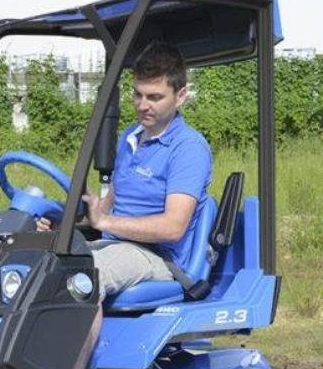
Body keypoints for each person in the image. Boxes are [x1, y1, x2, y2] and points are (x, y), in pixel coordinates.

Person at [38, 41, 213, 299]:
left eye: (155, 97)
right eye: (137, 94)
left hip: (158, 256)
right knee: (38, 262)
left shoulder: (188, 148)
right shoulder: (131, 136)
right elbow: (108, 207)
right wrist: (62, 223)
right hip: (116, 245)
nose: (142, 105)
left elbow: (172, 227)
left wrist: (106, 222)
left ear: (181, 95)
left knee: (83, 280)